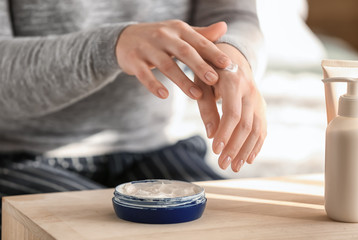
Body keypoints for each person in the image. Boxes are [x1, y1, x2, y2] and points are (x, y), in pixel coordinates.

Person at [0, 0, 266, 232]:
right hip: (18, 156)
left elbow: (234, 15)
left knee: (246, 223)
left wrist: (232, 57)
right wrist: (111, 46)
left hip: (153, 147)